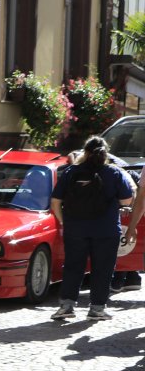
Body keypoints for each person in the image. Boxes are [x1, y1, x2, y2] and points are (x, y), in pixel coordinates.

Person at [50, 136, 136, 321]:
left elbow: (55, 201)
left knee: (73, 266)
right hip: (106, 230)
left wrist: (64, 222)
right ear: (106, 154)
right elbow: (126, 200)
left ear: (85, 152)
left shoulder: (71, 172)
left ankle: (67, 306)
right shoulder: (114, 173)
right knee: (103, 269)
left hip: (75, 229)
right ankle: (97, 309)